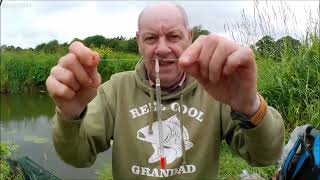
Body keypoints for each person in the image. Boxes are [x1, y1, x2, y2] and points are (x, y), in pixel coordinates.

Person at [46, 2, 285, 179]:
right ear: (138, 41)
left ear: (189, 37)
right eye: (150, 38)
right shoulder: (115, 90)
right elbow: (76, 157)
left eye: (173, 36)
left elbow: (264, 156)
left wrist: (249, 106)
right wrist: (70, 115)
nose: (162, 49)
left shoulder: (216, 89)